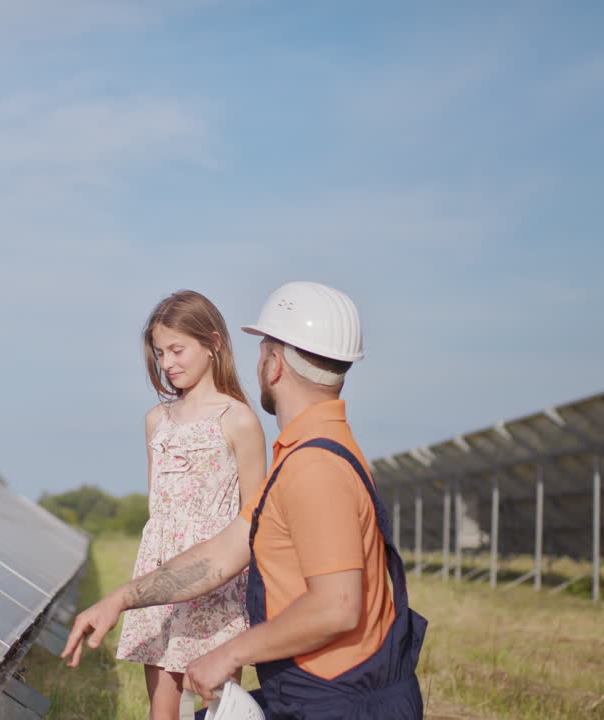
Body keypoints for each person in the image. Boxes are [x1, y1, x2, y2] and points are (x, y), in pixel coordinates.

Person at [64, 282, 426, 720]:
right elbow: (221, 555)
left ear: (274, 364)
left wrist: (228, 653)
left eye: (262, 351)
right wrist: (120, 598)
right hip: (317, 690)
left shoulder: (315, 469)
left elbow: (337, 606)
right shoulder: (303, 455)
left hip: (337, 699)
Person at [116, 290, 268, 720]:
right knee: (162, 706)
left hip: (216, 579)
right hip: (160, 571)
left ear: (213, 343)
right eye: (160, 352)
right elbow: (159, 510)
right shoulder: (155, 420)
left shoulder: (237, 419)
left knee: (219, 704)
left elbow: (253, 517)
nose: (167, 363)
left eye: (177, 350)